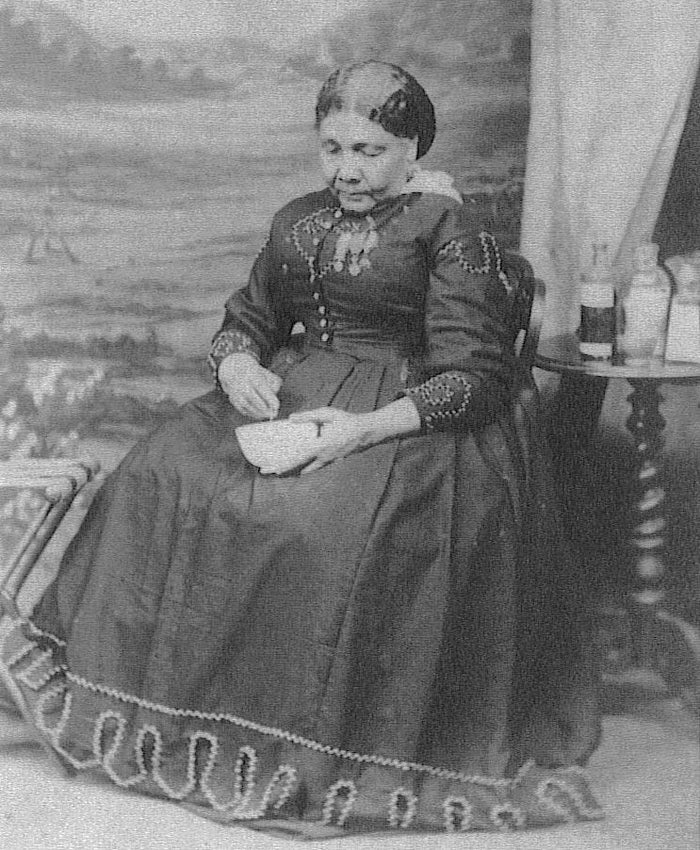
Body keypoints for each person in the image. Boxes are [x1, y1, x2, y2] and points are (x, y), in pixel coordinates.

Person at [1, 62, 602, 836]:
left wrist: (363, 427)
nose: (348, 168)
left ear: (413, 146)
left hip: (412, 417)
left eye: (370, 149)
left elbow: (476, 376)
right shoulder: (297, 218)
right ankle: (169, 712)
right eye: (333, 148)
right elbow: (250, 315)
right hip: (299, 389)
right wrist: (240, 362)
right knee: (156, 472)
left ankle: (296, 741)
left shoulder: (453, 231)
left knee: (318, 523)